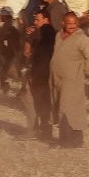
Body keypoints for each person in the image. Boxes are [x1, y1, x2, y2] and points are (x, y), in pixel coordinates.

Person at [51, 13, 89, 148]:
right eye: (69, 23)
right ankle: (76, 140)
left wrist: (84, 71)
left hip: (72, 79)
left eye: (74, 23)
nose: (72, 26)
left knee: (67, 108)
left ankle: (67, 141)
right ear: (63, 23)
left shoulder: (81, 38)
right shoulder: (58, 35)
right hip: (56, 78)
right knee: (63, 105)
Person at [26, 9, 55, 140]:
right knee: (42, 103)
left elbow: (42, 57)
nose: (35, 22)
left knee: (38, 102)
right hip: (43, 73)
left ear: (46, 20)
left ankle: (38, 130)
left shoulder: (46, 33)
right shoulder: (44, 33)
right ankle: (43, 130)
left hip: (41, 74)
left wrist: (35, 75)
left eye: (38, 19)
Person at [0, 12, 19, 95]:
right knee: (2, 72)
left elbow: (2, 40)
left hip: (8, 54)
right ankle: (5, 87)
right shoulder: (10, 29)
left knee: (3, 72)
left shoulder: (8, 29)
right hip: (6, 54)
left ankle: (5, 87)